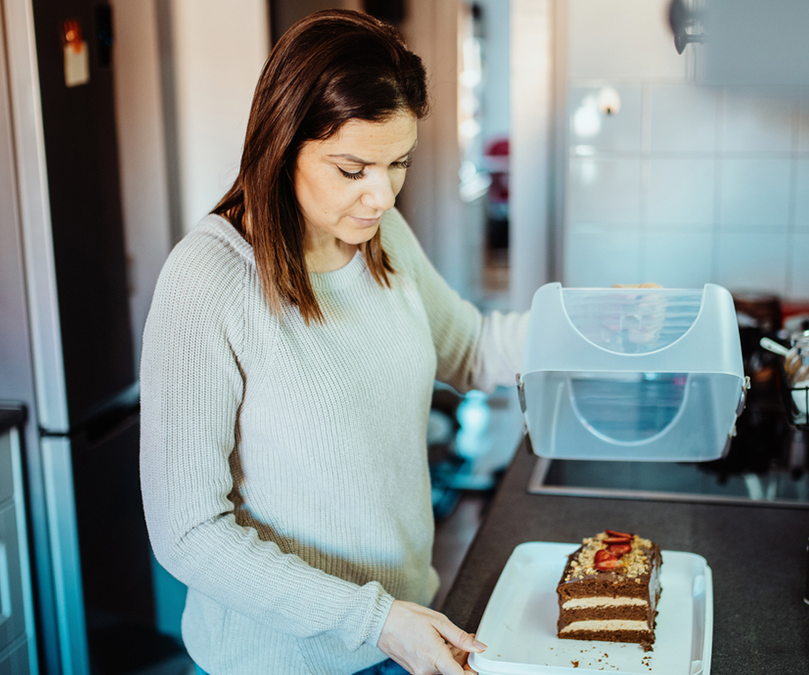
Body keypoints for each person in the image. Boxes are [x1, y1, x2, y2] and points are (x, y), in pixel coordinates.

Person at [139, 10, 527, 675]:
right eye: (353, 169)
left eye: (398, 162)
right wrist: (373, 619)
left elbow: (473, 349)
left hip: (406, 638)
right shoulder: (208, 279)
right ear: (283, 142)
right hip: (286, 660)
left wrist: (607, 328)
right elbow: (189, 531)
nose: (380, 194)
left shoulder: (380, 236)